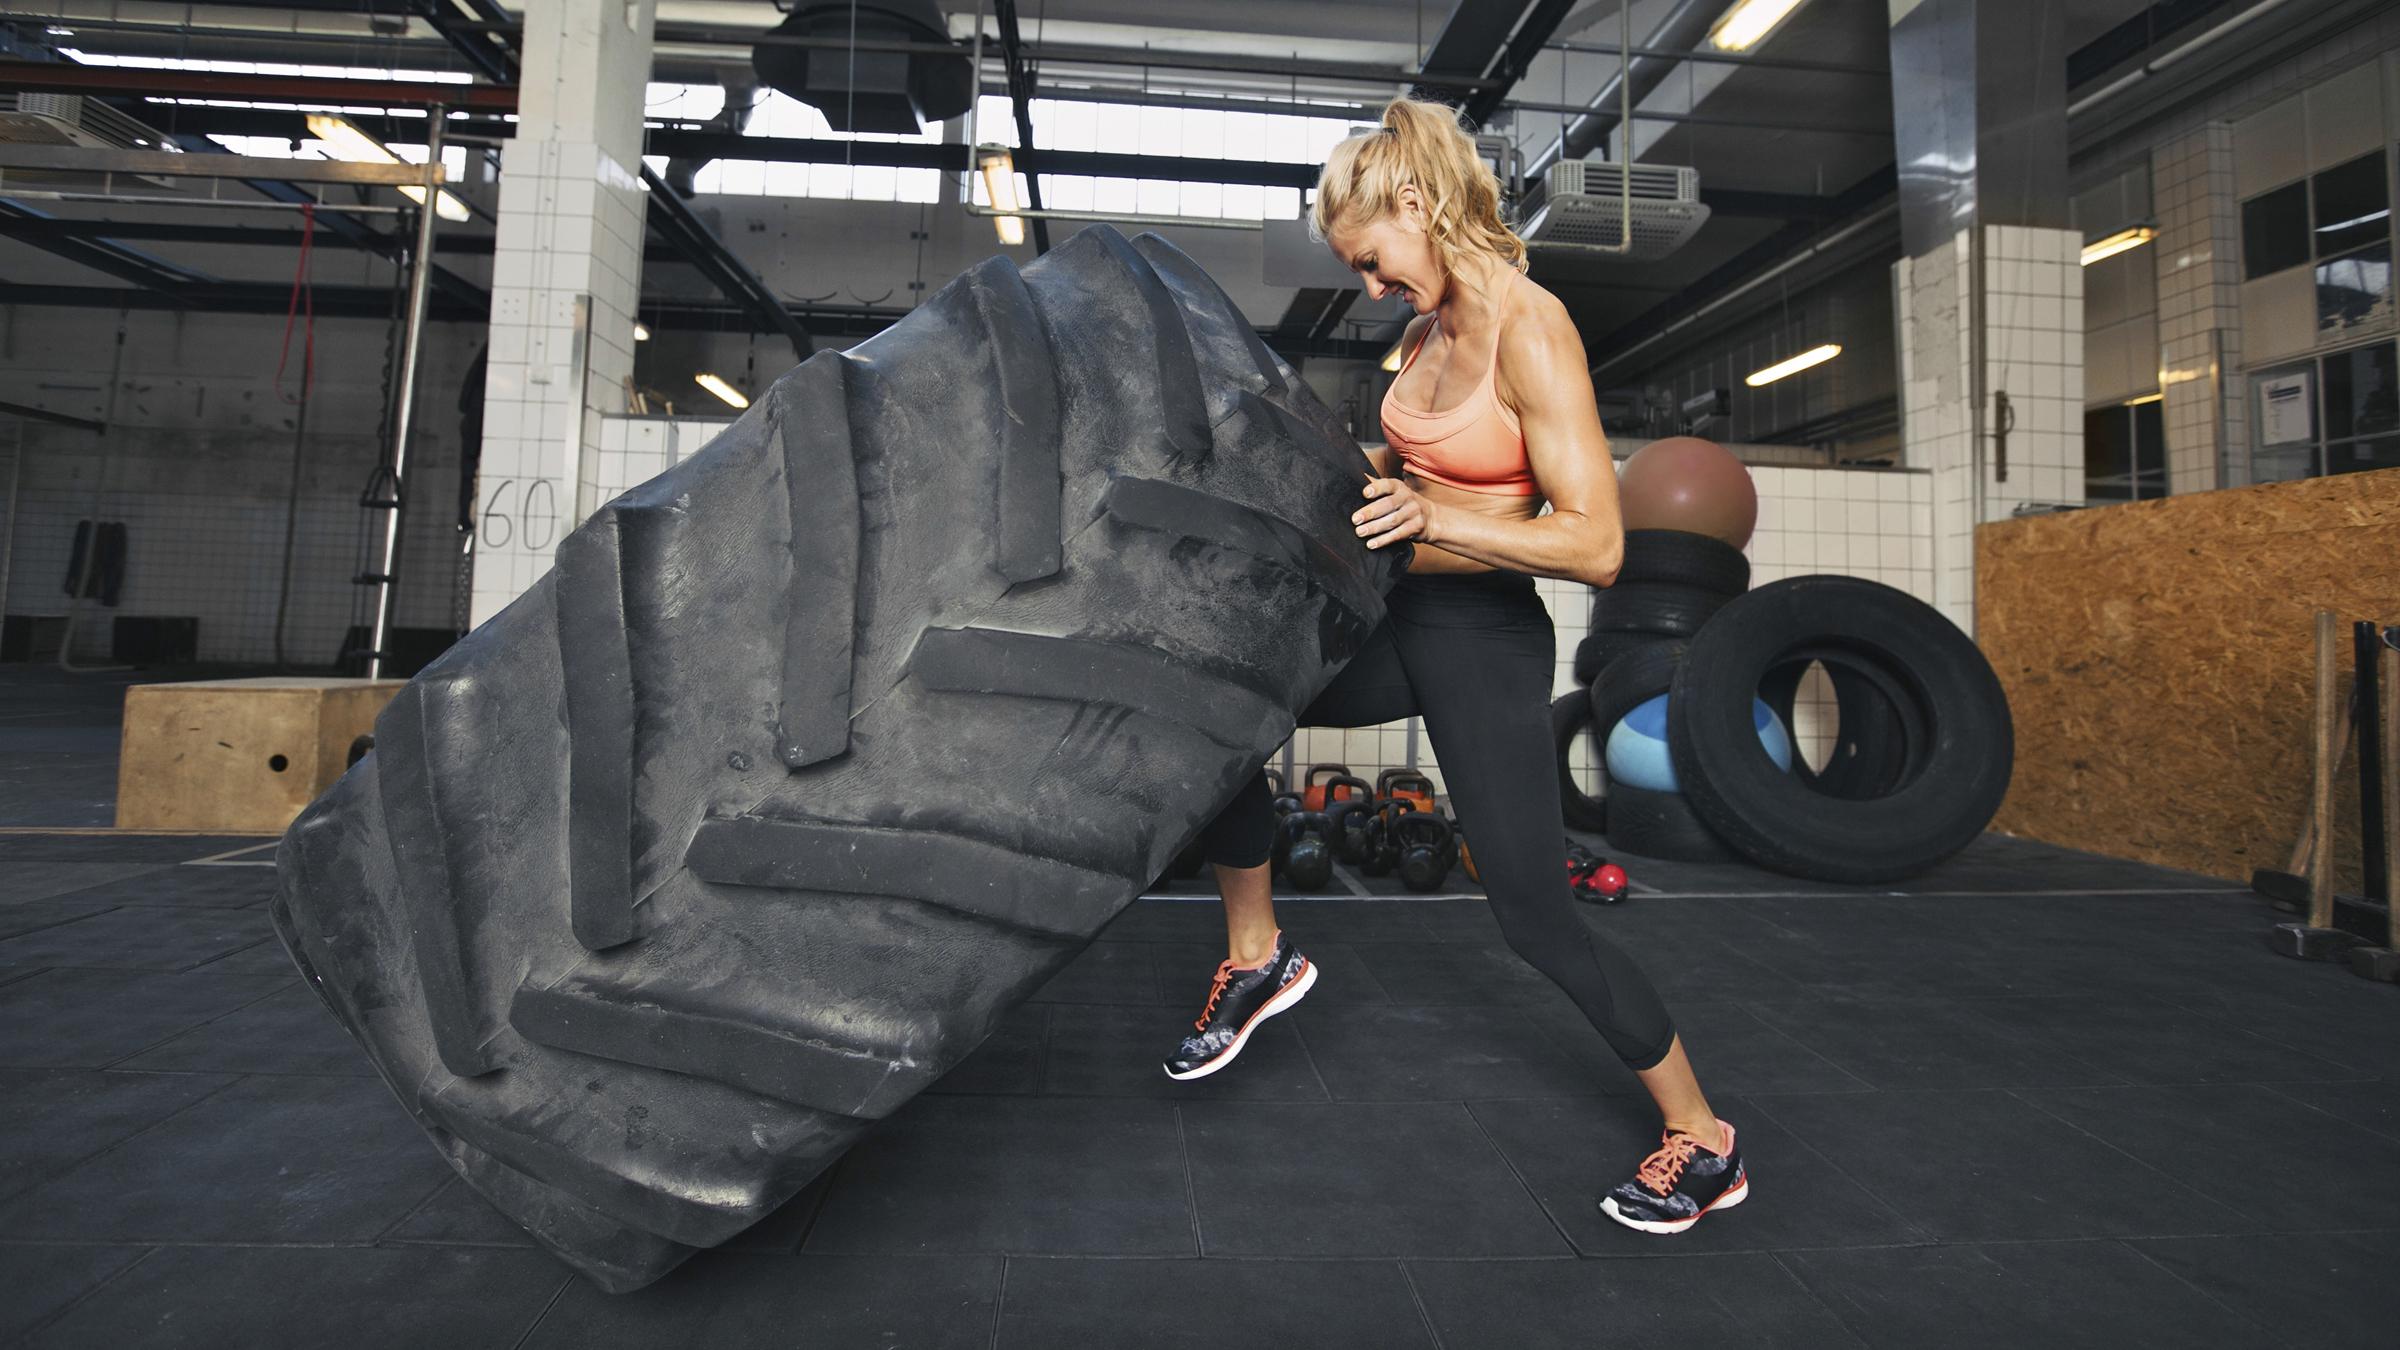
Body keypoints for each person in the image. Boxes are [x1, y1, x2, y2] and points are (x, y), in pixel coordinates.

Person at [1159, 96, 1747, 1236]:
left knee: (1533, 916)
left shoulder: (1534, 328)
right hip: (1400, 613)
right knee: (1222, 708)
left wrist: (1434, 514)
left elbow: (1597, 543)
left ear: (1416, 205)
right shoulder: (1426, 331)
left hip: (1484, 639)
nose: (1371, 285)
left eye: (1370, 259)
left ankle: (1704, 1137)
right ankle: (1258, 955)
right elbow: (1407, 472)